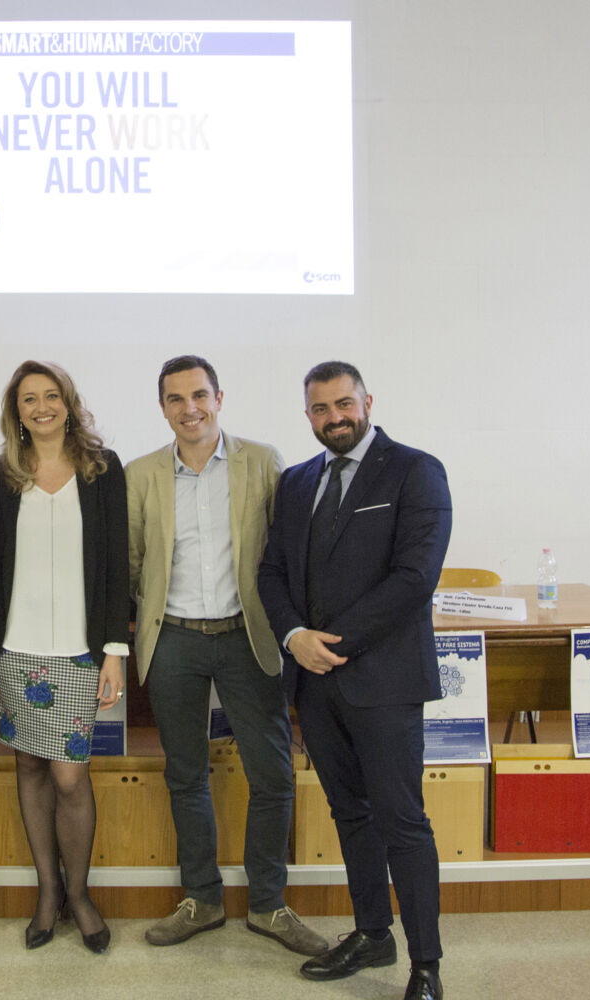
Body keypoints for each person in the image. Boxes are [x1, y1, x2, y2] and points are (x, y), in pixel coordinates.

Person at [257, 361, 452, 1000]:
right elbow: (272, 573)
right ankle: (373, 934)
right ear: (307, 414)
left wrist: (329, 643)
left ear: (367, 400)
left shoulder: (415, 470)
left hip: (384, 680)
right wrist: (293, 637)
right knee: (350, 814)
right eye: (320, 409)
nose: (334, 418)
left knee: (402, 820)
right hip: (314, 683)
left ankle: (426, 965)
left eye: (344, 404)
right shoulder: (296, 481)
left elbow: (414, 577)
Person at [126, 355, 327, 956]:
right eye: (175, 399)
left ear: (219, 397)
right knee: (185, 774)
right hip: (175, 640)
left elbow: (287, 551)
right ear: (162, 407)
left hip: (249, 636)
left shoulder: (262, 462)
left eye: (199, 395)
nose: (189, 408)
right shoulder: (141, 474)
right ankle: (202, 899)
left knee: (271, 774)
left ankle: (267, 904)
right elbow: (134, 561)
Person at [0, 361, 128, 954]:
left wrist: (114, 651)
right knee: (30, 766)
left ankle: (79, 894)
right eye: (29, 398)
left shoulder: (101, 468)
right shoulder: (0, 472)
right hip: (15, 648)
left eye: (51, 396)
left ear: (68, 402)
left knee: (69, 773)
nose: (41, 407)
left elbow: (116, 565)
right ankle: (46, 893)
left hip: (81, 653)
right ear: (16, 408)